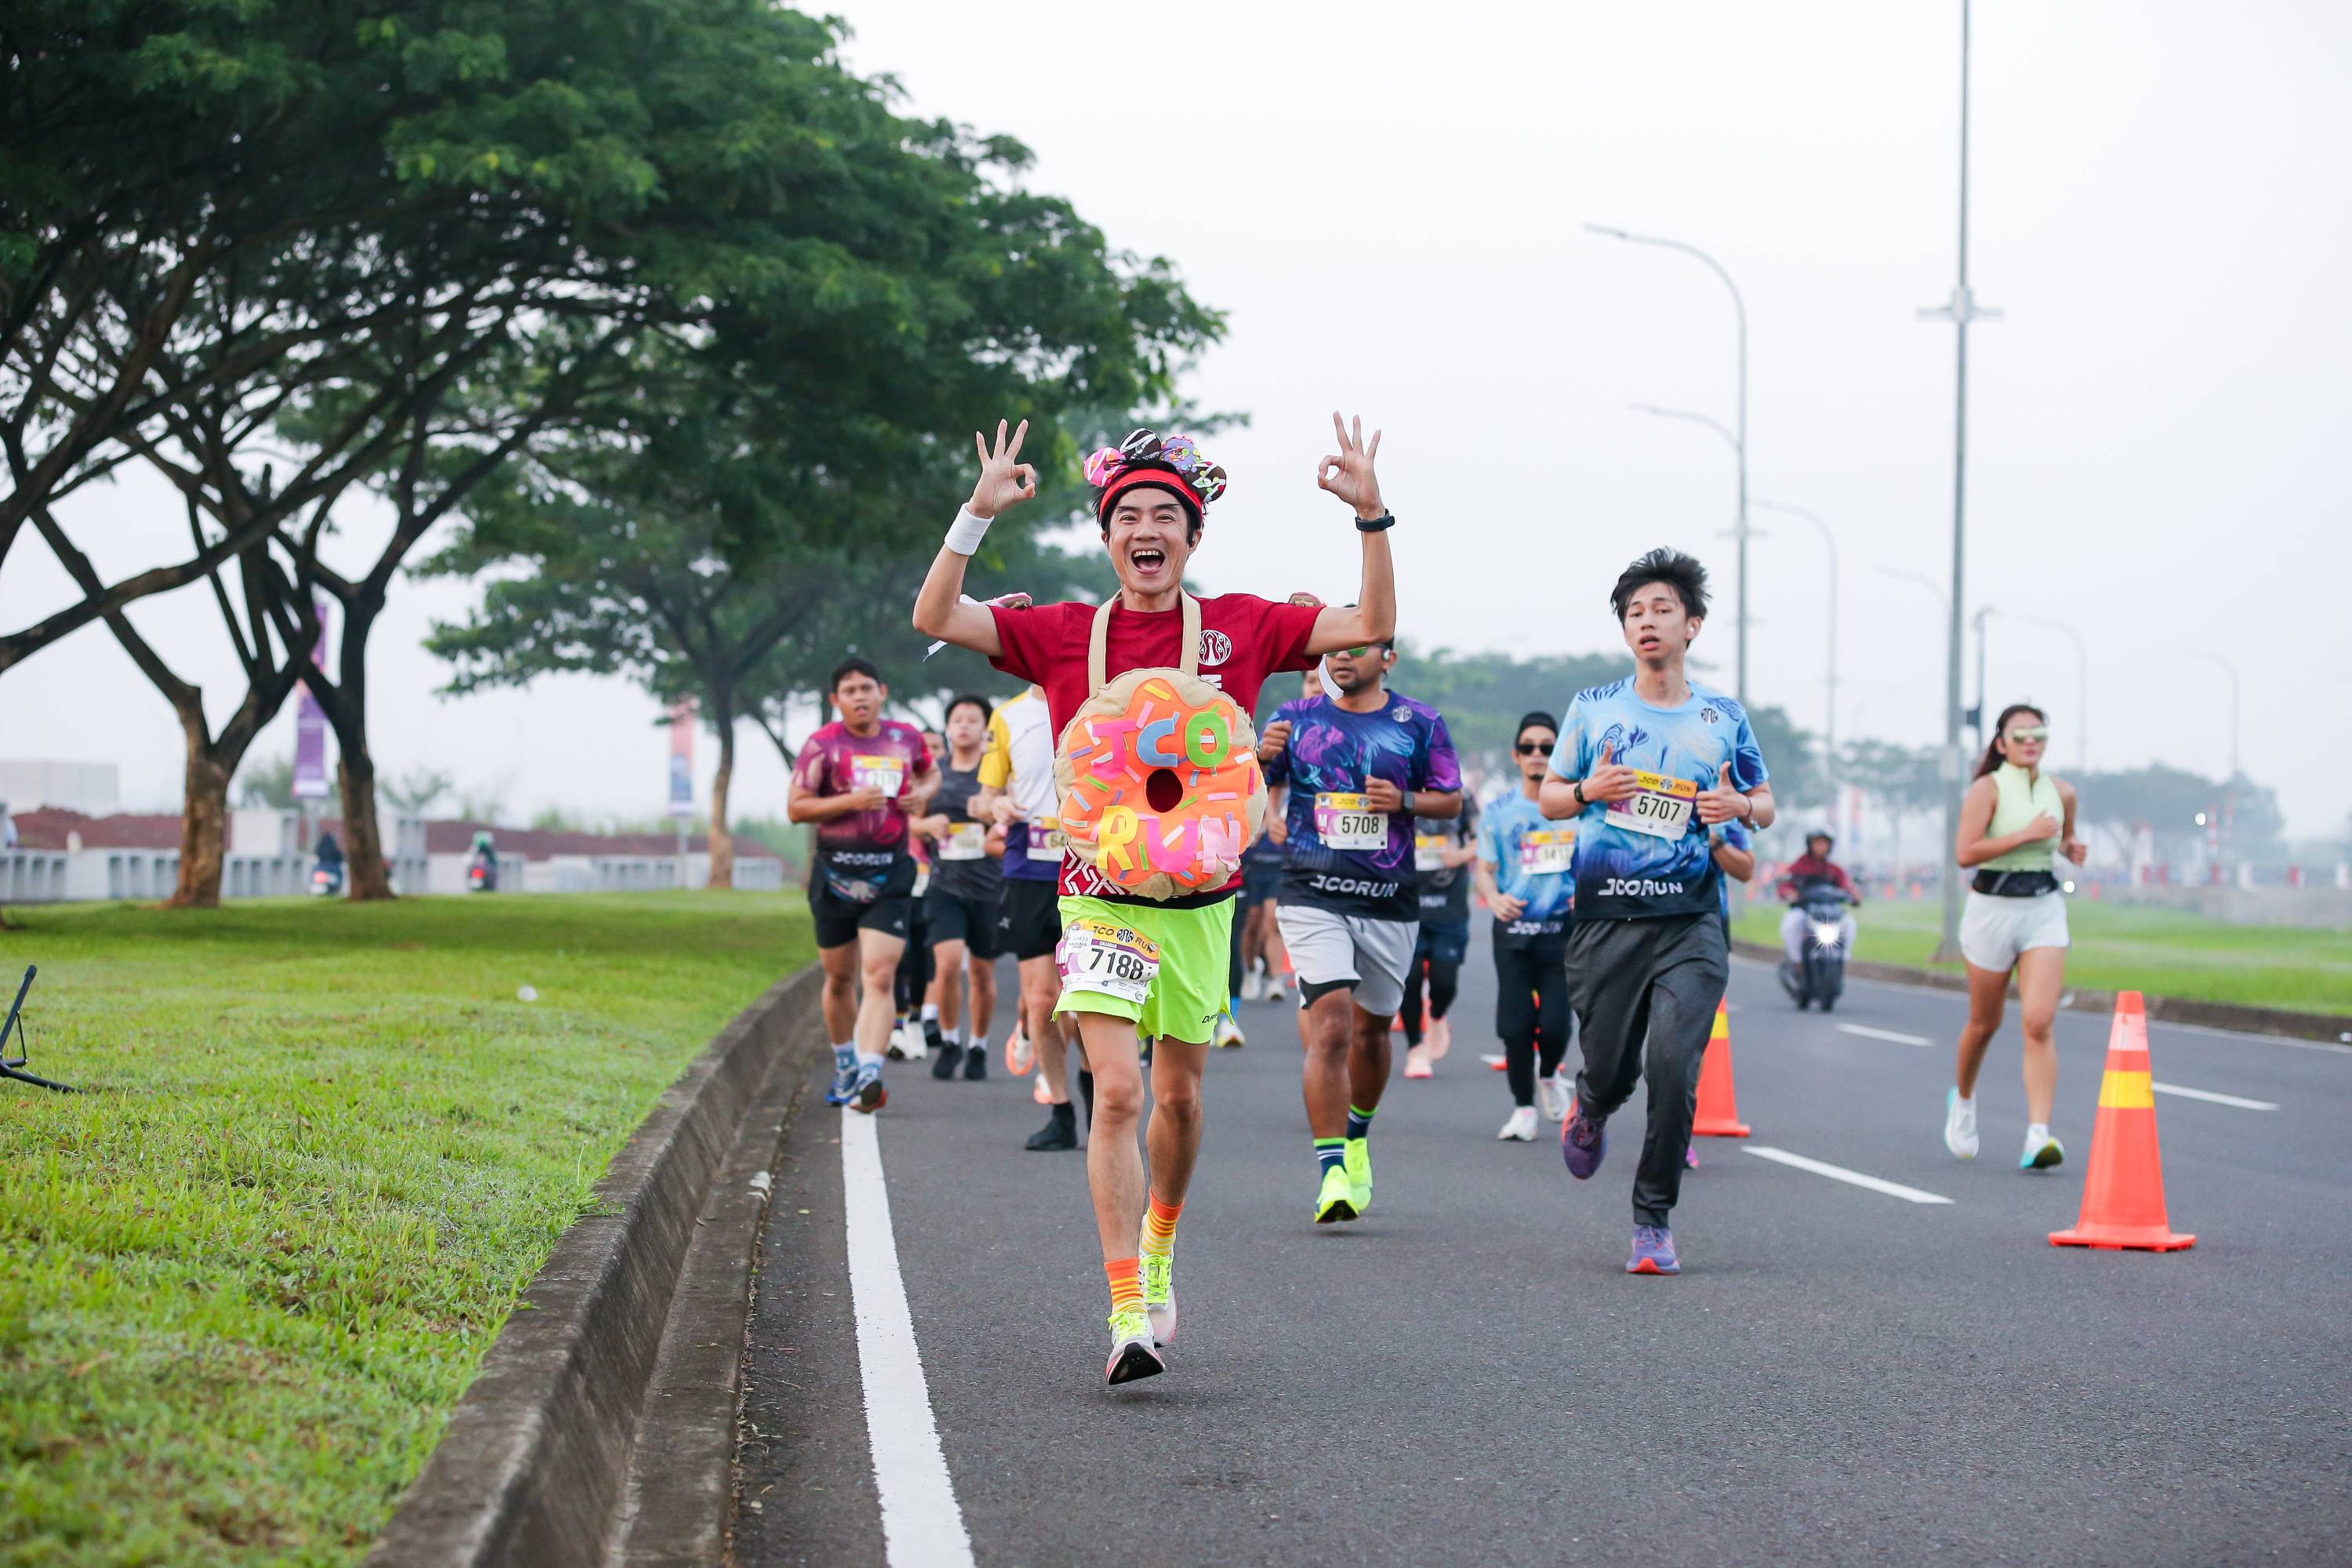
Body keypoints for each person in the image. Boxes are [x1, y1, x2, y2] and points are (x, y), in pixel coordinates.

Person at [913, 413, 1396, 1385]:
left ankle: (1162, 1244)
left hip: (1204, 904)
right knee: (1120, 1091)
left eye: (1164, 516)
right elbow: (937, 617)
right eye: (1127, 515)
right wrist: (975, 513)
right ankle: (1127, 1305)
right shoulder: (1061, 633)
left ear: (1192, 534)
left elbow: (1368, 625)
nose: (1146, 529)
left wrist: (1371, 515)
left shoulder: (1243, 626)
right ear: (1106, 537)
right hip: (1096, 897)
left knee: (1177, 1095)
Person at [1540, 549, 1773, 1276]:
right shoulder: (1594, 708)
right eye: (1635, 612)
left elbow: (1765, 803)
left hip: (1691, 921)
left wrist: (1738, 806)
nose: (1647, 621)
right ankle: (1592, 1104)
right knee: (1613, 1071)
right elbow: (1550, 796)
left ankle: (1653, 1219)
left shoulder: (1722, 717)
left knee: (1672, 1067)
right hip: (1606, 918)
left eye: (1662, 609)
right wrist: (1588, 791)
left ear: (1691, 625)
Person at [1260, 638, 1461, 1222]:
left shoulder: (1419, 723)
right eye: (1333, 650)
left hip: (1387, 899)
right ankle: (1331, 1174)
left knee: (1372, 1033)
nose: (1341, 658)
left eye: (1357, 648)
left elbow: (1450, 800)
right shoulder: (1294, 718)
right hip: (1310, 892)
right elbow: (1250, 783)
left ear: (1388, 659)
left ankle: (1356, 1137)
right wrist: (1255, 761)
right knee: (1331, 1024)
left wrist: (1404, 800)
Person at [786, 657, 938, 1113]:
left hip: (889, 872)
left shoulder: (905, 738)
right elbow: (796, 807)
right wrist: (850, 801)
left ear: (882, 692)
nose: (859, 697)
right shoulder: (822, 745)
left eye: (866, 688)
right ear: (836, 700)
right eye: (849, 691)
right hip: (834, 876)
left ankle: (870, 1072)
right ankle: (846, 1063)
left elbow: (931, 772)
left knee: (879, 974)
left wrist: (922, 794)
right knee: (839, 979)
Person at [1944, 703, 2087, 1171]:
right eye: (2020, 734)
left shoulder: (2062, 792)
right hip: (1991, 911)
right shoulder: (1987, 789)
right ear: (2001, 743)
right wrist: (2025, 835)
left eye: (2038, 735)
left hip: (2043, 910)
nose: (2030, 742)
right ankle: (1963, 1101)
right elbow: (1965, 853)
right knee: (1984, 1023)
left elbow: (2062, 841)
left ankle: (2038, 1136)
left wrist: (2070, 849)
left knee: (2039, 1022)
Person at [977, 684, 1093, 1150]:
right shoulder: (1007, 716)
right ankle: (1061, 1111)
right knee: (1042, 1000)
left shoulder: (1100, 699)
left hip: (1092, 868)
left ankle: (1099, 1100)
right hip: (1029, 870)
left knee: (1089, 1001)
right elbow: (983, 798)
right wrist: (996, 805)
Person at [1475, 713, 1578, 1139]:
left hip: (1563, 932)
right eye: (1529, 747)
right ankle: (1523, 1110)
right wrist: (1495, 898)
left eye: (1548, 748)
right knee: (1516, 1028)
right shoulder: (1498, 812)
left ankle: (1550, 1074)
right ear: (1516, 756)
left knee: (1555, 1024)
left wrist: (1585, 894)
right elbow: (1484, 868)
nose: (1538, 755)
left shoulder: (1578, 808)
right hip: (1514, 933)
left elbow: (1598, 862)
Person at [913, 696, 1003, 1081]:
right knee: (948, 966)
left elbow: (1014, 817)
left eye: (972, 719)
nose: (964, 726)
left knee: (981, 973)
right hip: (944, 885)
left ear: (985, 728)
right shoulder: (935, 774)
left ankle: (978, 1045)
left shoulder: (996, 773)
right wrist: (927, 824)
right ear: (948, 728)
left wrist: (996, 822)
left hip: (990, 886)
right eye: (957, 720)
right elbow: (910, 822)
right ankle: (950, 1041)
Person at [1400, 790, 1478, 1078]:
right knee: (1409, 979)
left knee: (1445, 983)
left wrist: (1461, 855)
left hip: (1449, 907)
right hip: (1407, 904)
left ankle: (1436, 1014)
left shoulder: (1462, 797)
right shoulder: (1399, 790)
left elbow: (1482, 839)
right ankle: (1415, 1047)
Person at [1775, 827, 1857, 969]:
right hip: (1805, 911)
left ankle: (1842, 958)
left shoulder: (1834, 869)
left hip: (1829, 913)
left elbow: (1847, 887)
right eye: (1818, 843)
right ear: (1810, 844)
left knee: (1849, 923)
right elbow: (1784, 885)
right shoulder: (1798, 866)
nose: (1821, 847)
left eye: (1825, 843)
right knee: (1791, 924)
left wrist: (1854, 895)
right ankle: (1797, 961)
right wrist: (1789, 893)